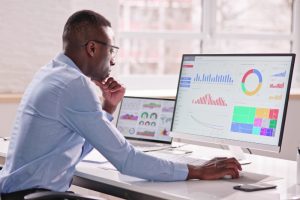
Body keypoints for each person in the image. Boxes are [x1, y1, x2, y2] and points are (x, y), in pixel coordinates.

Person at [0, 10, 242, 199]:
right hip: (34, 196)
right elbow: (127, 162)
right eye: (112, 50)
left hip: (22, 193)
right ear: (92, 48)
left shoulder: (51, 73)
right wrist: (198, 171)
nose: (113, 61)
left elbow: (72, 150)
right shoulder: (74, 84)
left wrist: (107, 108)